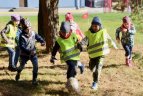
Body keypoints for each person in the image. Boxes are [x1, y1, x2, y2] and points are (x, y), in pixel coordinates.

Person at [81, 16, 117, 90]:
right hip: (92, 55)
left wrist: (113, 45)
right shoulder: (89, 34)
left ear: (100, 26)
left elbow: (109, 39)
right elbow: (84, 41)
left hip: (101, 54)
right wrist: (80, 44)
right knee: (91, 67)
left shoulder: (103, 32)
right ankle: (93, 72)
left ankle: (95, 83)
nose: (95, 27)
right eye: (93, 26)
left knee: (98, 69)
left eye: (96, 26)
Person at [50, 21, 82, 92]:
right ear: (60, 31)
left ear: (70, 31)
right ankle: (69, 82)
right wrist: (52, 56)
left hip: (75, 57)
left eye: (66, 32)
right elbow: (55, 49)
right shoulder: (59, 40)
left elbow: (78, 43)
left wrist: (80, 46)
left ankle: (72, 79)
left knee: (74, 71)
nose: (65, 34)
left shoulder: (73, 35)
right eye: (63, 32)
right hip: (66, 58)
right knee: (71, 66)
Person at [15, 19, 45, 85]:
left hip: (33, 54)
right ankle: (18, 73)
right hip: (24, 55)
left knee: (36, 66)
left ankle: (34, 80)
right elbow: (21, 46)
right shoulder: (21, 36)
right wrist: (28, 51)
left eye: (29, 28)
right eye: (27, 29)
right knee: (21, 66)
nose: (28, 30)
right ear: (23, 28)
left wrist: (42, 41)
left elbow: (38, 37)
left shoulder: (33, 33)